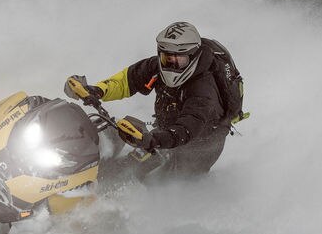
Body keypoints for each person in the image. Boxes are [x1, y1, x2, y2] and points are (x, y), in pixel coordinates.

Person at [65, 21, 233, 180]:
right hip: (164, 134)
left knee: (167, 184)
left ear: (193, 56)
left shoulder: (203, 90)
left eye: (179, 59)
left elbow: (186, 129)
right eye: (167, 58)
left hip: (198, 147)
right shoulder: (157, 67)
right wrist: (98, 90)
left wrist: (152, 140)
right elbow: (127, 81)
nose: (172, 64)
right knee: (123, 165)